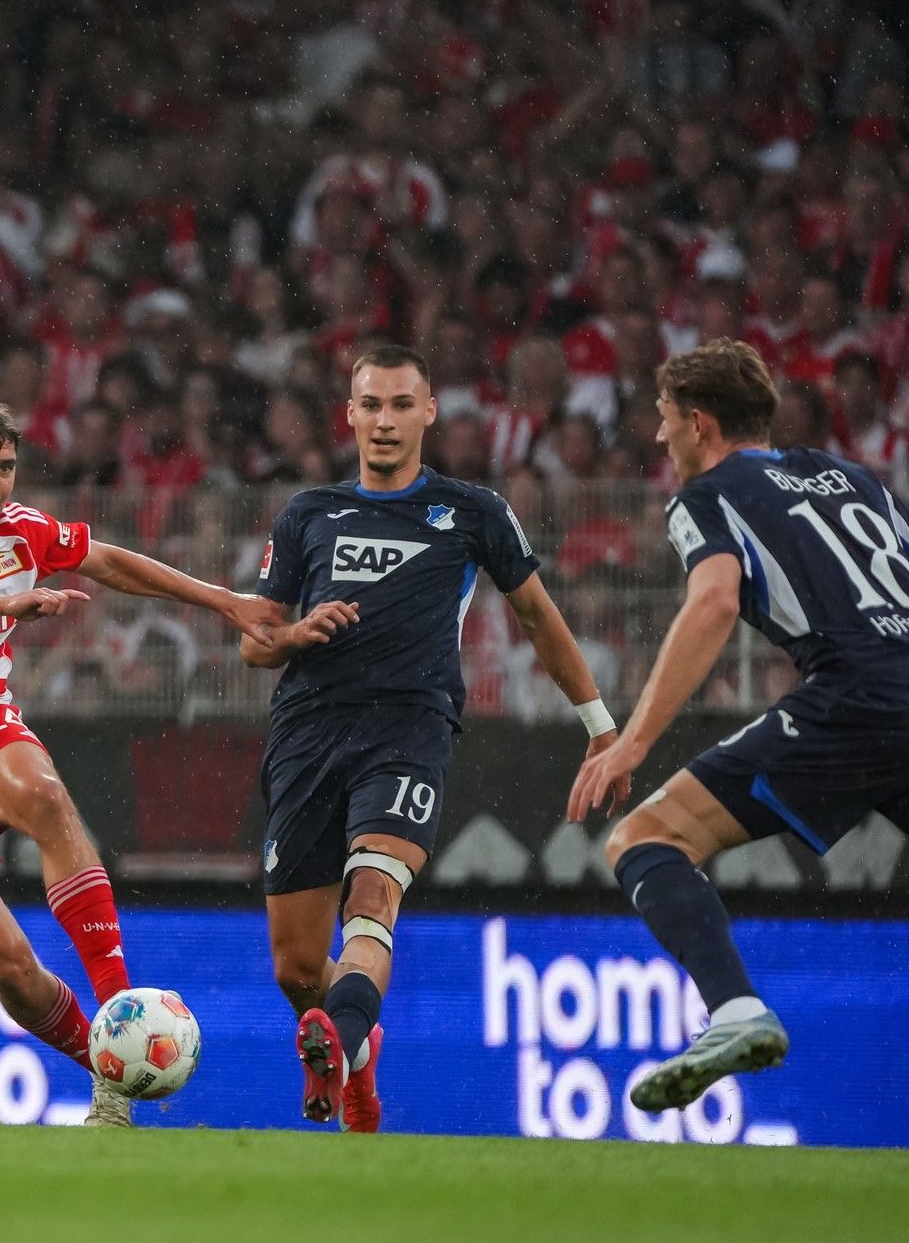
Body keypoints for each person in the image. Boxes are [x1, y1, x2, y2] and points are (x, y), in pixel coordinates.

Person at [0, 397, 283, 1127]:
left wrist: (223, 600)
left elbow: (105, 559)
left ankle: (119, 1012)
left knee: (44, 795)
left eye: (4, 466)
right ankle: (109, 1070)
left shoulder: (21, 529)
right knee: (10, 967)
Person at [243, 344, 616, 1132]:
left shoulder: (471, 509)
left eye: (400, 404)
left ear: (429, 411)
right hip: (308, 732)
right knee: (297, 965)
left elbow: (539, 619)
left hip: (409, 727)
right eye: (370, 404)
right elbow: (255, 639)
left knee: (373, 896)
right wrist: (297, 631)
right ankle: (357, 1047)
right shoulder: (309, 512)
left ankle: (337, 1047)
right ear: (348, 414)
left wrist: (601, 726)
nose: (384, 420)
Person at [568, 339, 909, 1111]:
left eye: (663, 421)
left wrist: (634, 741)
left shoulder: (709, 493)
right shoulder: (852, 476)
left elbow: (714, 600)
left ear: (698, 423)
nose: (659, 439)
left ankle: (734, 1009)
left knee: (646, 836)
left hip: (854, 691)